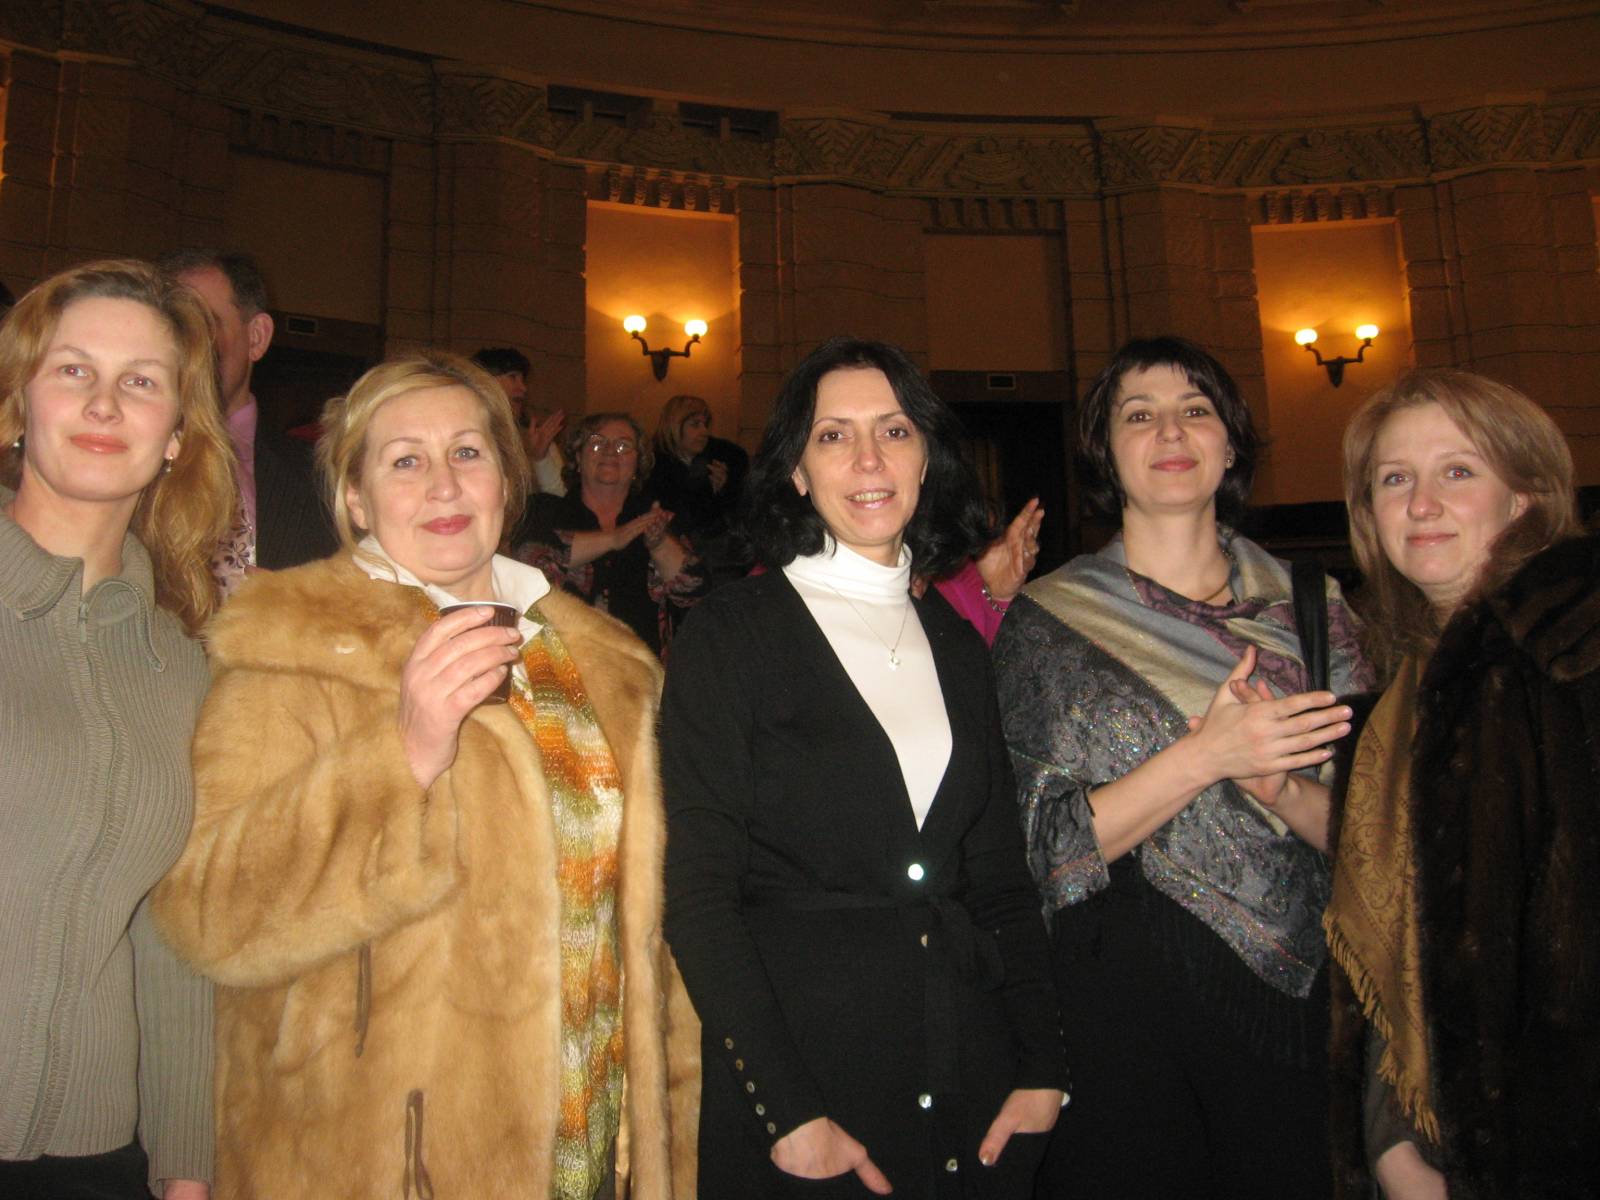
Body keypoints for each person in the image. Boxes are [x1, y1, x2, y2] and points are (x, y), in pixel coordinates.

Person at [149, 353, 688, 1199]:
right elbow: (209, 916)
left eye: (468, 453)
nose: (444, 485)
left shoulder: (609, 663)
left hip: (590, 1143)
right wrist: (401, 756)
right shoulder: (288, 646)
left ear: (507, 478)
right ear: (356, 497)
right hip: (369, 1157)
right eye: (405, 461)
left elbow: (654, 930)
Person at [662, 336, 1068, 1200]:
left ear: (926, 457)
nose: (869, 458)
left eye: (894, 430)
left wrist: (1042, 1067)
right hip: (807, 1092)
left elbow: (1000, 880)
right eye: (833, 435)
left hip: (973, 1084)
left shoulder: (957, 645)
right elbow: (698, 897)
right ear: (797, 471)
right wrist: (787, 1112)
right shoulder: (731, 634)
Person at [993, 336, 1373, 1200]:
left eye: (1195, 410)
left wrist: (1279, 787)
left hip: (1294, 995)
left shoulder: (1313, 609)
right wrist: (1206, 757)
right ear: (1105, 451)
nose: (1170, 432)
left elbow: (1369, 829)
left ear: (1230, 444)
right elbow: (1033, 846)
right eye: (1140, 415)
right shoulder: (1048, 621)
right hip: (1114, 1002)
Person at [1326, 369, 1598, 1200]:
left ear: (1524, 497)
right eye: (1394, 480)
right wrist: (1392, 1144)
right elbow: (1415, 922)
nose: (1421, 504)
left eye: (1457, 471)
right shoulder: (1404, 694)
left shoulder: (1572, 653)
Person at [0, 259, 236, 1198]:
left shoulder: (182, 664)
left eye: (141, 381)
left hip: (93, 1156)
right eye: (73, 370)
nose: (104, 403)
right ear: (18, 406)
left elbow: (167, 932)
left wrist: (186, 1165)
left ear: (176, 435)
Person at [158, 249, 337, 594]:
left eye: (202, 324)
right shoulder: (120, 463)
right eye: (171, 325)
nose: (182, 345)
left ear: (256, 337)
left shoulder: (326, 481)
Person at [513, 412, 708, 659]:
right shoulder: (546, 510)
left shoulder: (657, 517)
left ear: (638, 463)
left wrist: (659, 545)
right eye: (597, 443)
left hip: (641, 668)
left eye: (623, 446)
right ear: (578, 458)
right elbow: (530, 559)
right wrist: (614, 539)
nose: (609, 452)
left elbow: (694, 590)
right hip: (563, 666)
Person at [647, 393, 749, 586]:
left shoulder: (721, 460)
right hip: (672, 559)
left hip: (721, 562)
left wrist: (724, 489)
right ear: (674, 427)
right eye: (695, 425)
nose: (704, 432)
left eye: (705, 424)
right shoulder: (654, 467)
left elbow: (739, 513)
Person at [470, 346, 566, 496]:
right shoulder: (463, 434)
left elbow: (559, 497)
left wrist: (539, 459)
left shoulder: (536, 437)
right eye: (513, 377)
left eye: (523, 380)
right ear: (484, 381)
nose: (523, 388)